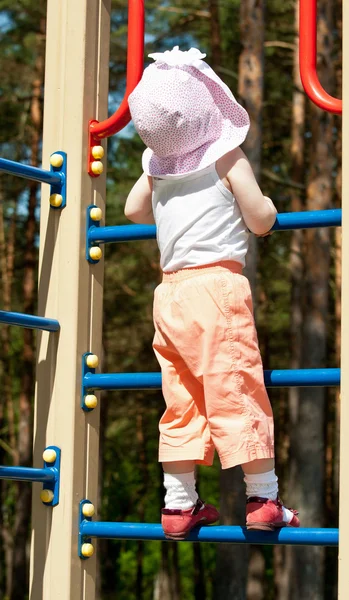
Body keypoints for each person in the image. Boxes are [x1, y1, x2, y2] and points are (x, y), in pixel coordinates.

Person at [125, 46, 299, 540]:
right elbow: (260, 218)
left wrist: (160, 176)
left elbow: (135, 210)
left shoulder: (158, 167)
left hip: (170, 294)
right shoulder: (227, 155)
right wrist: (264, 208)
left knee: (180, 398)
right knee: (236, 387)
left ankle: (179, 505)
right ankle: (263, 496)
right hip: (217, 289)